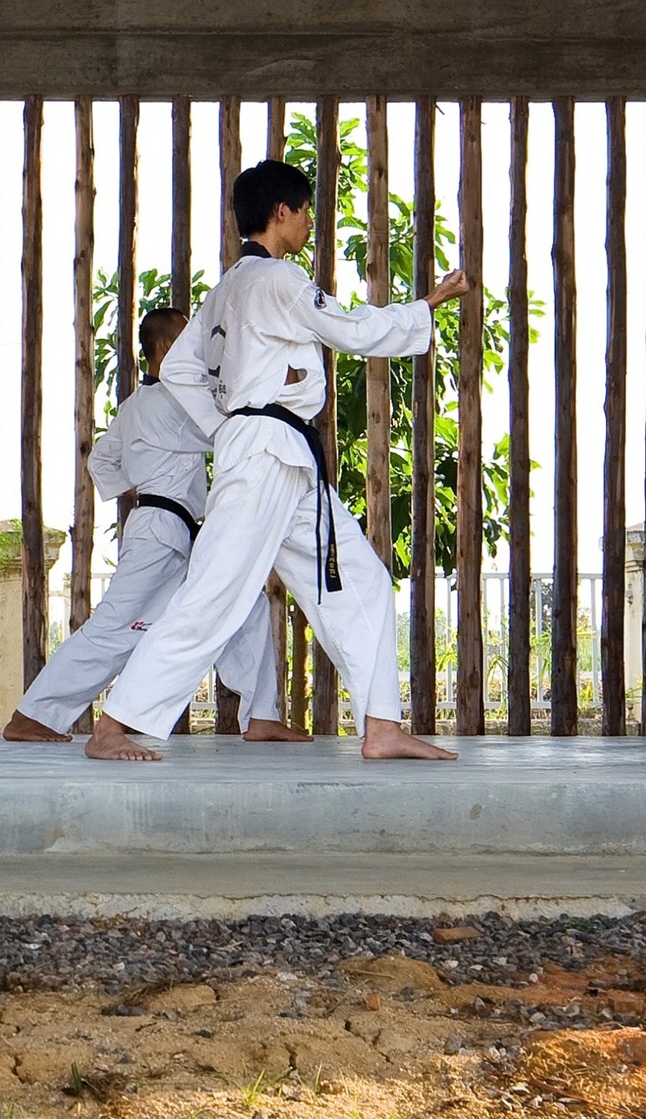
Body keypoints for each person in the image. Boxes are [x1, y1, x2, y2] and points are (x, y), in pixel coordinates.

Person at [86, 160, 471, 764]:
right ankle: (115, 725)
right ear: (281, 213)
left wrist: (231, 424)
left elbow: (182, 371)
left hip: (278, 457)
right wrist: (429, 303)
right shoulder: (279, 280)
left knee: (363, 580)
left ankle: (381, 724)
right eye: (306, 210)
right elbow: (350, 327)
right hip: (267, 453)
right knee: (215, 591)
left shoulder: (225, 291)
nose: (311, 222)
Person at [3, 299, 288, 743]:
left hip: (173, 526)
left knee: (244, 605)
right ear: (168, 344)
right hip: (161, 532)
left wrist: (134, 488)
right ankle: (34, 715)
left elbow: (102, 458)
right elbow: (228, 428)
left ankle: (262, 715)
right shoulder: (172, 401)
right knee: (118, 626)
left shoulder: (135, 405)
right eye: (188, 336)